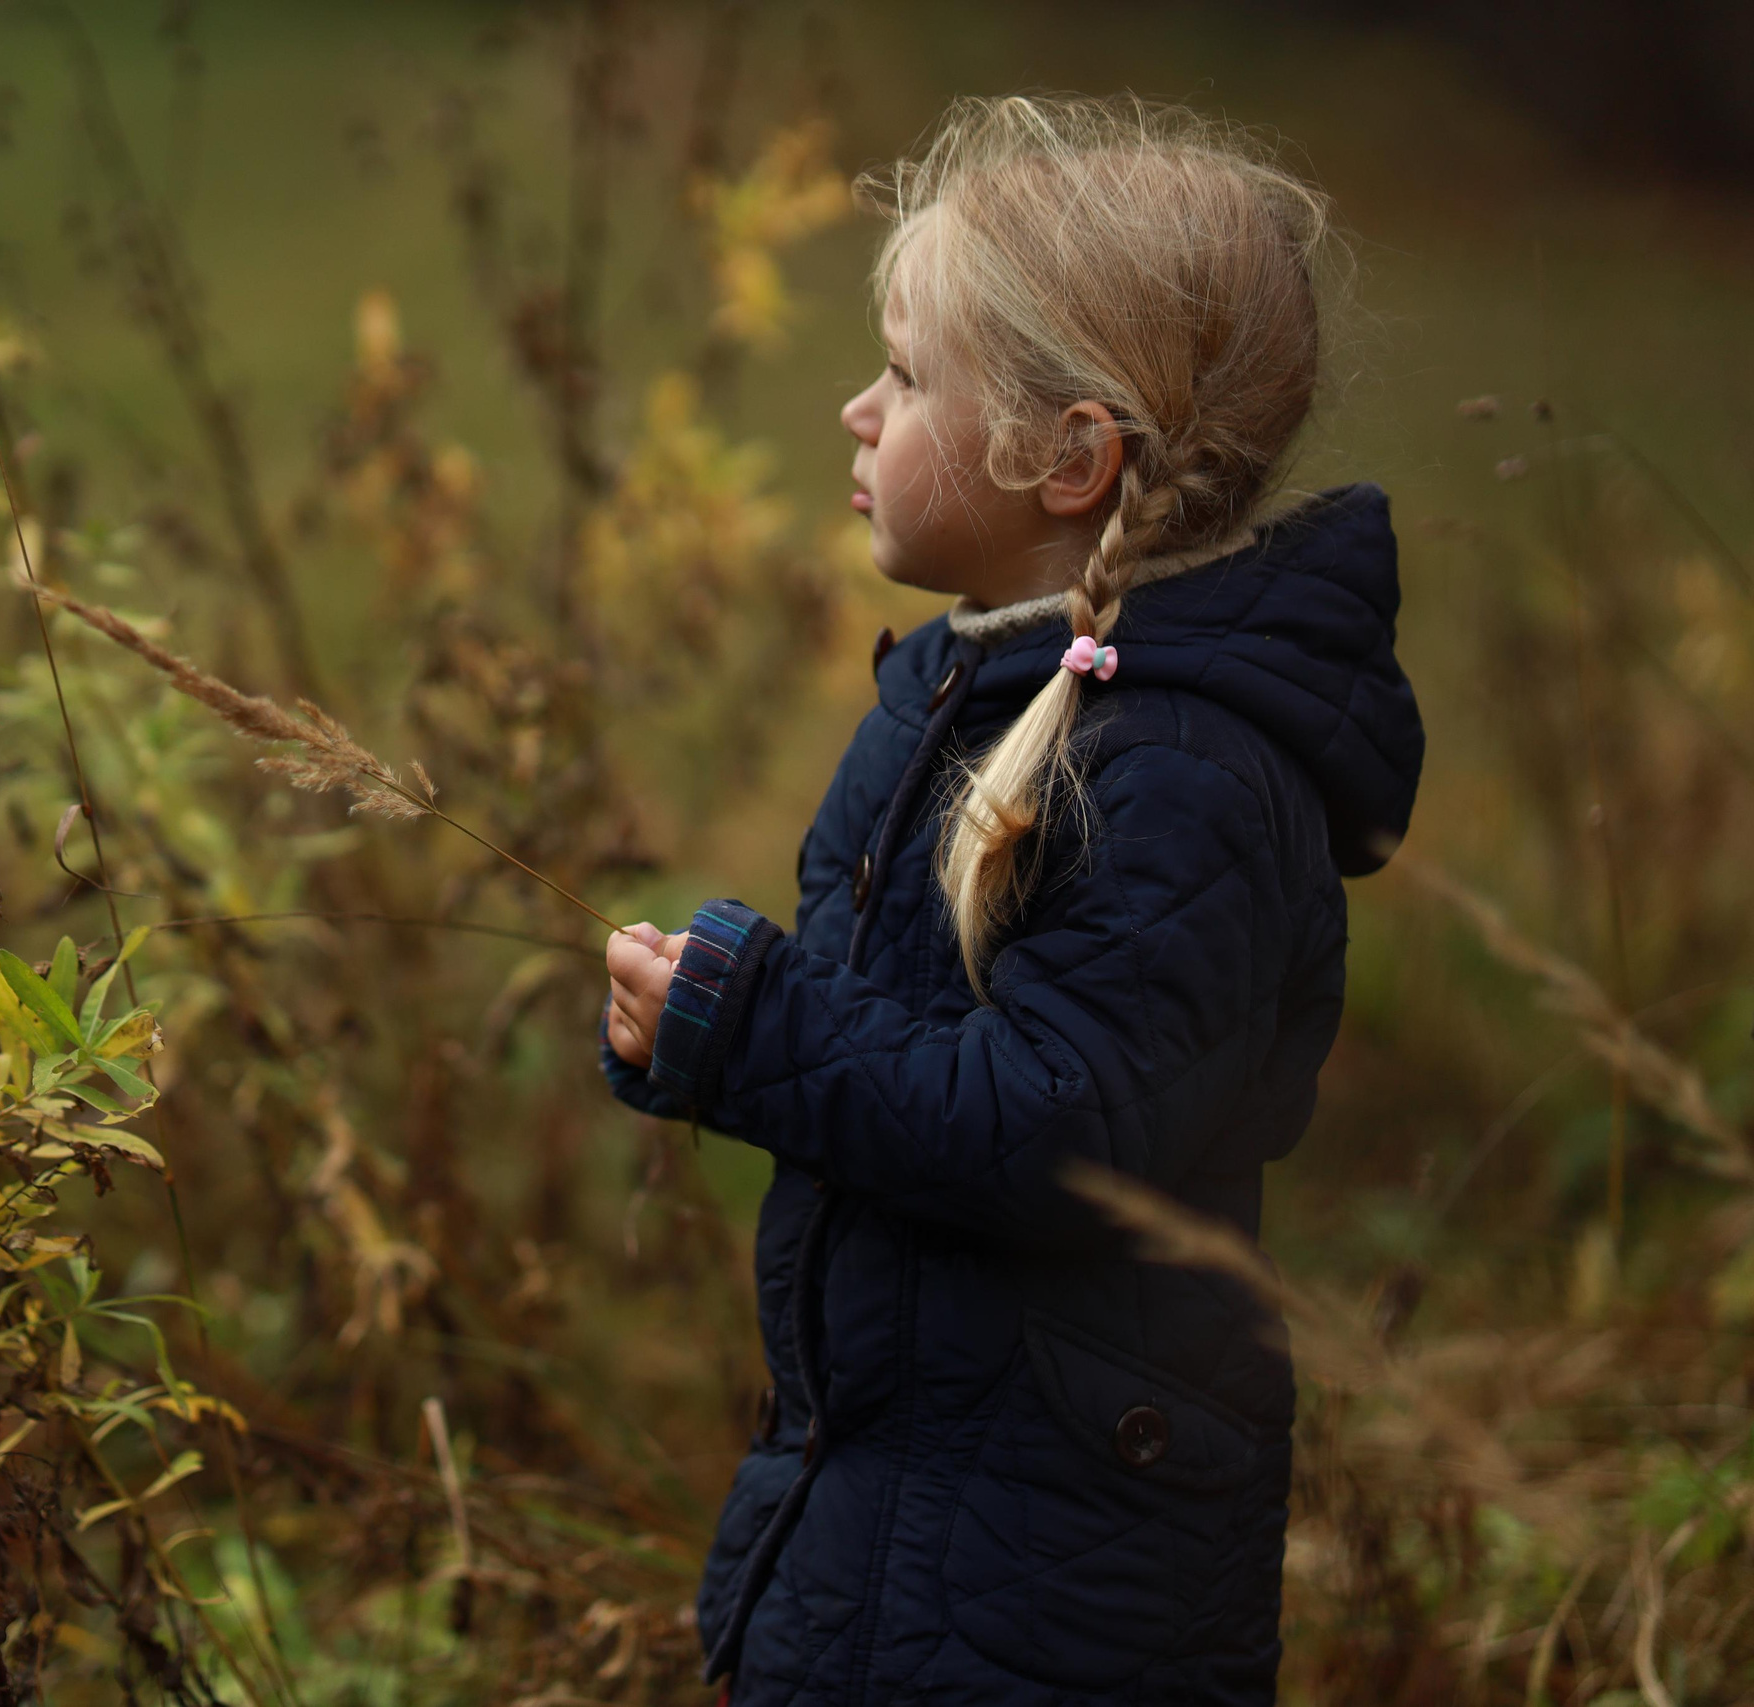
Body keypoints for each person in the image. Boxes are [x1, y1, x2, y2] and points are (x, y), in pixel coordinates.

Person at [601, 95, 1423, 1705]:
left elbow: (1058, 1131)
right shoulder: (960, 690)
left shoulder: (1184, 771)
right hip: (899, 1517)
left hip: (1052, 1592)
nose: (854, 408)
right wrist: (694, 1030)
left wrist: (754, 1031)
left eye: (906, 377)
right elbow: (883, 1057)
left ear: (1070, 459)